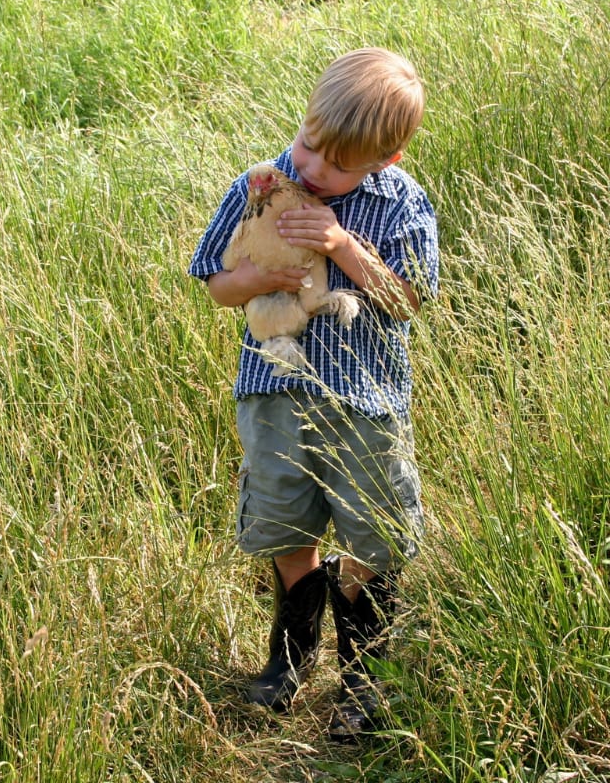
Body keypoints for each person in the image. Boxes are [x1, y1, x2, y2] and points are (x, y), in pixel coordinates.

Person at [188, 47, 439, 741]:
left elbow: (406, 299)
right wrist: (261, 279)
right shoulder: (261, 182)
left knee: (373, 532)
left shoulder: (401, 202)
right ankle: (290, 659)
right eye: (308, 144)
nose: (313, 169)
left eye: (336, 165)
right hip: (275, 392)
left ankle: (363, 681)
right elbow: (214, 281)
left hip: (366, 400)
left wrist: (339, 245)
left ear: (383, 161)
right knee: (282, 519)